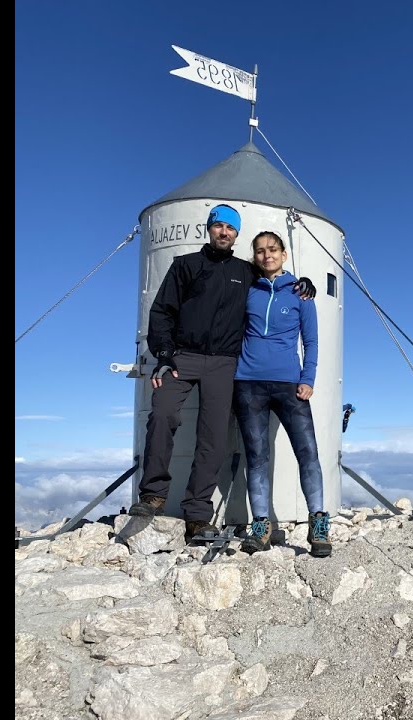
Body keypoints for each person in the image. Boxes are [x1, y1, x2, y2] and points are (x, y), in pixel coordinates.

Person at [129, 205, 314, 542]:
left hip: (226, 362)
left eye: (231, 228)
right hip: (182, 357)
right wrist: (165, 355)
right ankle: (153, 495)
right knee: (162, 414)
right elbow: (162, 312)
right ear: (210, 229)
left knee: (212, 437)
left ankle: (198, 516)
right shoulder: (185, 266)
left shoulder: (246, 272)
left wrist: (304, 282)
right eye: (219, 226)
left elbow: (275, 282)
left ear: (236, 235)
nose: (224, 232)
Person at [233, 230, 331, 557]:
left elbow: (312, 341)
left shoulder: (301, 295)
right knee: (257, 458)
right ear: (254, 257)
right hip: (248, 383)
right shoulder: (248, 290)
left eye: (272, 249)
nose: (266, 255)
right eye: (260, 251)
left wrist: (309, 377)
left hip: (290, 385)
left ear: (284, 254)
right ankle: (261, 526)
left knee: (308, 453)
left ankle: (318, 524)